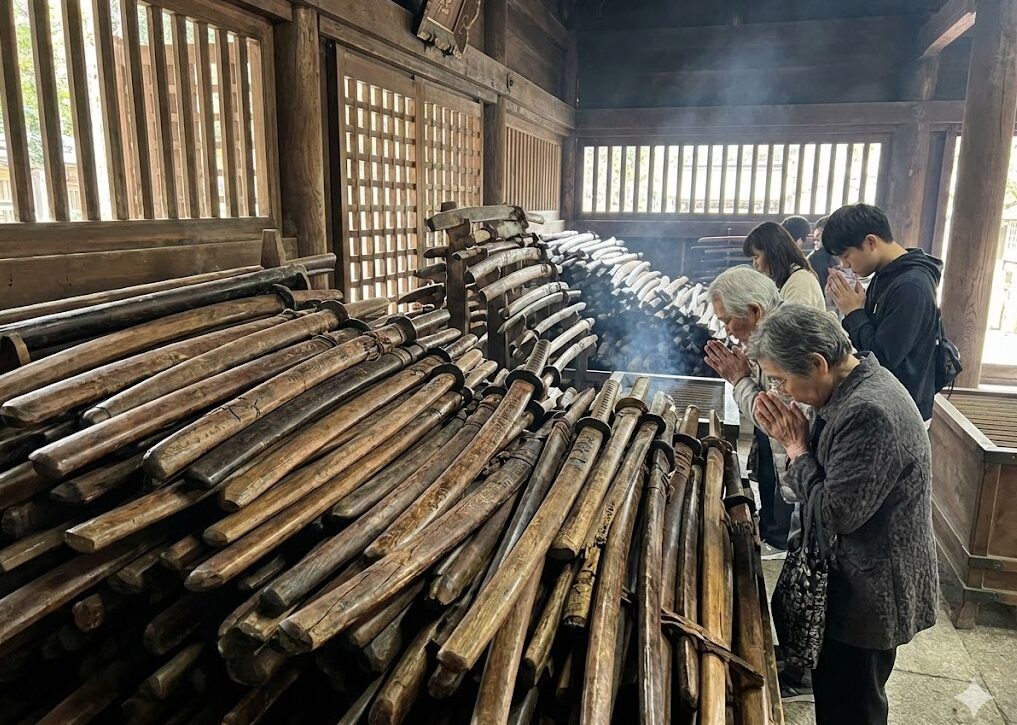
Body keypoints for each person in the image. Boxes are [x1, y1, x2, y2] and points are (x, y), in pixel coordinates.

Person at [749, 303, 937, 725]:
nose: (782, 391)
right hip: (857, 578)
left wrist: (797, 448)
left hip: (873, 590)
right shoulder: (850, 386)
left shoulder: (868, 411)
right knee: (838, 693)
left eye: (782, 379)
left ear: (816, 363)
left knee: (853, 704)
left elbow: (836, 514)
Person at [704, 266, 797, 558]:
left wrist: (739, 379)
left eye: (728, 320)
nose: (727, 329)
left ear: (755, 311)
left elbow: (775, 419)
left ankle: (782, 542)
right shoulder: (773, 332)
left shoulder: (784, 343)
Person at [822, 204, 942, 424]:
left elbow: (882, 358)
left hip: (902, 411)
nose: (845, 265)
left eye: (846, 255)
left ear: (871, 242)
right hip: (885, 401)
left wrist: (854, 312)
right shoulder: (886, 275)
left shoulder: (911, 287)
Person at [743, 222, 825, 309]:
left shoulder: (800, 282)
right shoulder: (783, 279)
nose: (754, 264)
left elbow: (793, 321)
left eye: (756, 257)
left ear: (772, 253)